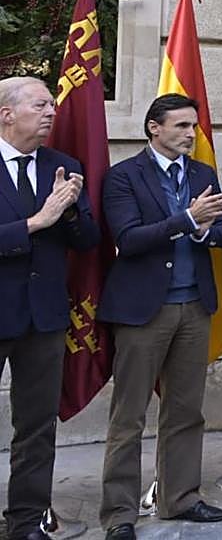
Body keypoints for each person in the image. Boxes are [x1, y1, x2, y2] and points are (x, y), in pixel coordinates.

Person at [97, 95, 222, 539]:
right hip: (143, 310)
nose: (190, 134)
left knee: (185, 410)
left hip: (195, 305)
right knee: (129, 415)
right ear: (153, 128)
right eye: (180, 126)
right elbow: (129, 238)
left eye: (193, 126)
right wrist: (186, 219)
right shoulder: (123, 176)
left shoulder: (202, 173)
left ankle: (180, 497)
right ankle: (119, 513)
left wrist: (204, 227)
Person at [0, 76, 100, 540]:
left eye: (52, 106)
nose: (50, 113)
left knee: (36, 426)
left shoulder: (62, 165)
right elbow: (34, 228)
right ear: (6, 113)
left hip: (43, 318)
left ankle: (27, 520)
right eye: (40, 105)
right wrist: (36, 222)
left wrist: (73, 209)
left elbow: (88, 242)